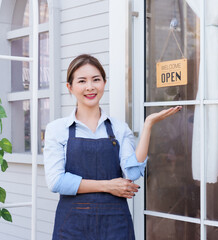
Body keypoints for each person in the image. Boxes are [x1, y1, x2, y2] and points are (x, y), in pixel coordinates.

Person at [43, 54, 182, 240]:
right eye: (82, 81)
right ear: (70, 87)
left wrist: (148, 125)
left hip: (115, 224)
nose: (90, 87)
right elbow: (57, 182)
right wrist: (108, 186)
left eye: (96, 80)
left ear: (104, 83)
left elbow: (132, 172)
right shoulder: (57, 129)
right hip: (72, 225)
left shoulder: (118, 128)